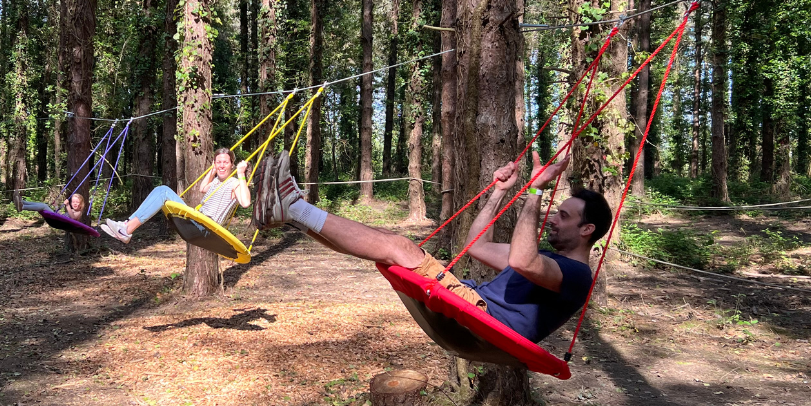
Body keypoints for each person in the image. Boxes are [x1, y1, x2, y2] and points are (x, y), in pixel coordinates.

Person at [251, 150, 611, 344]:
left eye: (563, 216)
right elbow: (478, 246)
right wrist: (498, 194)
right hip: (472, 304)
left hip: (486, 321)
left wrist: (535, 191)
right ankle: (291, 213)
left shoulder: (577, 276)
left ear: (587, 229)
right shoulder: (549, 260)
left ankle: (295, 208)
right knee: (389, 247)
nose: (553, 218)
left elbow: (521, 259)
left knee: (398, 247)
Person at [101, 148, 252, 244]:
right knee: (161, 191)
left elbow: (245, 202)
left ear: (232, 164)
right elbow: (202, 188)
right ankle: (126, 226)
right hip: (197, 221)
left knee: (163, 191)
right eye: (218, 162)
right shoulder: (216, 182)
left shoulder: (234, 183)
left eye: (225, 162)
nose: (221, 165)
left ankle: (126, 229)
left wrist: (241, 174)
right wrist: (212, 171)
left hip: (205, 226)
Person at [14, 190, 87, 221]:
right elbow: (62, 214)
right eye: (73, 202)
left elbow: (73, 217)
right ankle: (21, 201)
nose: (74, 203)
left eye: (77, 202)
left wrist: (67, 206)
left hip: (58, 221)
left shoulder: (79, 213)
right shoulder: (72, 210)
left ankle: (23, 207)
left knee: (44, 207)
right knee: (43, 204)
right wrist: (56, 206)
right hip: (58, 218)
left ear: (81, 204)